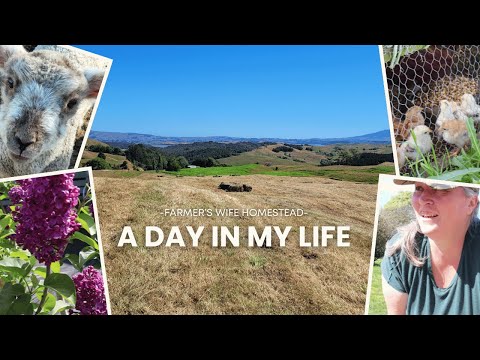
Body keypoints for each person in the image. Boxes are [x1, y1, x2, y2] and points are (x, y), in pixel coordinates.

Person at [381, 179, 480, 315]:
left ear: (471, 203)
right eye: (419, 188)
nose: (423, 199)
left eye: (439, 188)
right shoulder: (400, 252)